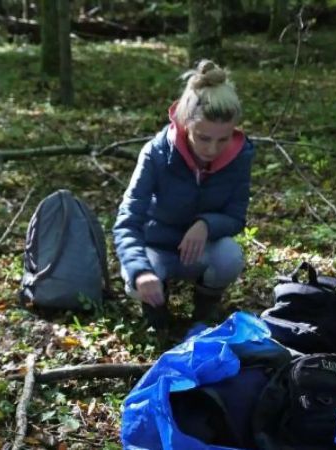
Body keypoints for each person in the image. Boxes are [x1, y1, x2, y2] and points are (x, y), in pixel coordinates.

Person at [113, 60, 254, 337]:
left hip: (201, 251)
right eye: (203, 138)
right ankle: (157, 311)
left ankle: (203, 312)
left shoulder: (240, 156)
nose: (213, 149)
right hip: (158, 248)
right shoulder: (156, 152)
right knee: (133, 279)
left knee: (230, 256)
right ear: (185, 123)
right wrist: (142, 272)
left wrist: (206, 225)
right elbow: (127, 221)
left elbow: (237, 216)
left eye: (223, 139)